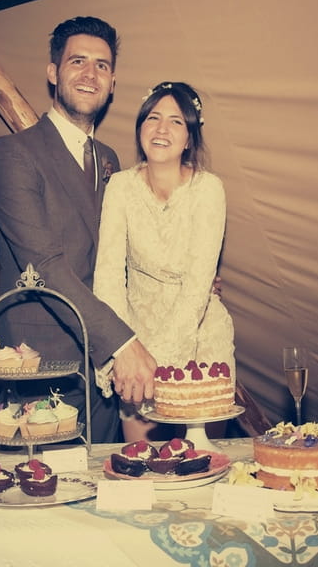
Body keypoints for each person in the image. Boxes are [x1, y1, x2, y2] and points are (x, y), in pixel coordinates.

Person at [0, 16, 157, 443]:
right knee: (42, 498)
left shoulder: (110, 159)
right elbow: (43, 264)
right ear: (53, 72)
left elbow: (115, 256)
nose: (89, 74)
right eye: (77, 61)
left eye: (101, 65)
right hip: (42, 366)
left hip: (100, 375)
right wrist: (121, 343)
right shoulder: (13, 153)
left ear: (113, 81)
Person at [93, 82, 236, 442]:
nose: (161, 129)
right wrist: (123, 350)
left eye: (175, 121)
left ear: (189, 138)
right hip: (133, 337)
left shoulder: (209, 189)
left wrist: (159, 363)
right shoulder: (120, 187)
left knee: (204, 464)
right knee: (140, 466)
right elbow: (108, 274)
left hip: (200, 336)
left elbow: (198, 284)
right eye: (153, 118)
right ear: (140, 127)